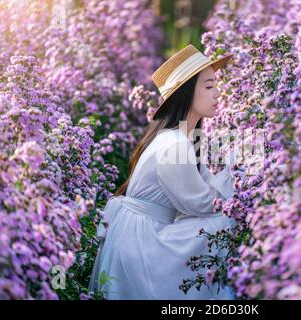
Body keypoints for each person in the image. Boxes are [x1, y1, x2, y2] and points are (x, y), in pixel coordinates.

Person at [88, 44, 237, 299]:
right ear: (186, 93)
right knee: (225, 222)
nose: (218, 93)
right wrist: (235, 170)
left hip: (139, 231)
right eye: (209, 86)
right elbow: (201, 203)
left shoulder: (180, 137)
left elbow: (200, 190)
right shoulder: (174, 144)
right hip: (143, 240)